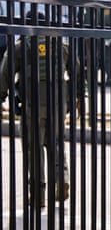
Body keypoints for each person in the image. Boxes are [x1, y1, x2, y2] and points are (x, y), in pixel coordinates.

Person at [0, 11, 75, 207]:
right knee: (57, 144)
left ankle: (38, 193)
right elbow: (76, 72)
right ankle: (62, 178)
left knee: (34, 148)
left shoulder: (21, 46)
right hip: (58, 104)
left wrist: (2, 97)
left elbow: (5, 73)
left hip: (33, 105)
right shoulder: (61, 45)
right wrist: (77, 99)